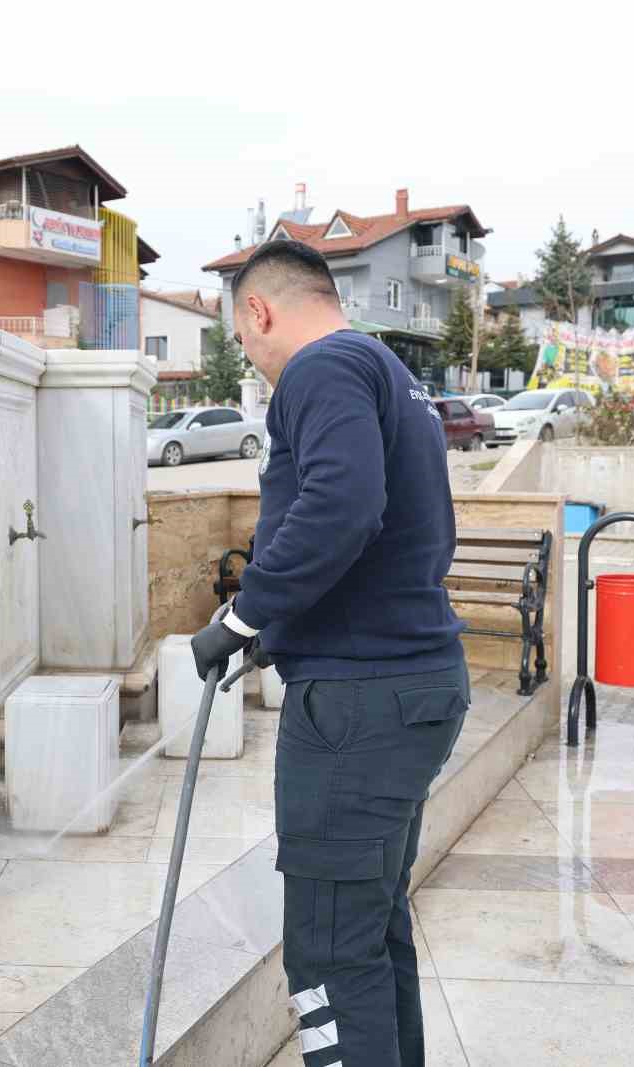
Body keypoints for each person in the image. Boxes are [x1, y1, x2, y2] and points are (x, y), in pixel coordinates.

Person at [190, 239, 469, 1067]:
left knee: (328, 955)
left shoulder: (320, 370)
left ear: (259, 311)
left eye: (247, 344)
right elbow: (394, 528)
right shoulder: (389, 373)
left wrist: (245, 618)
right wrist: (278, 630)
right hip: (407, 686)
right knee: (371, 932)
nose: (256, 361)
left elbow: (341, 504)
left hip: (360, 705)